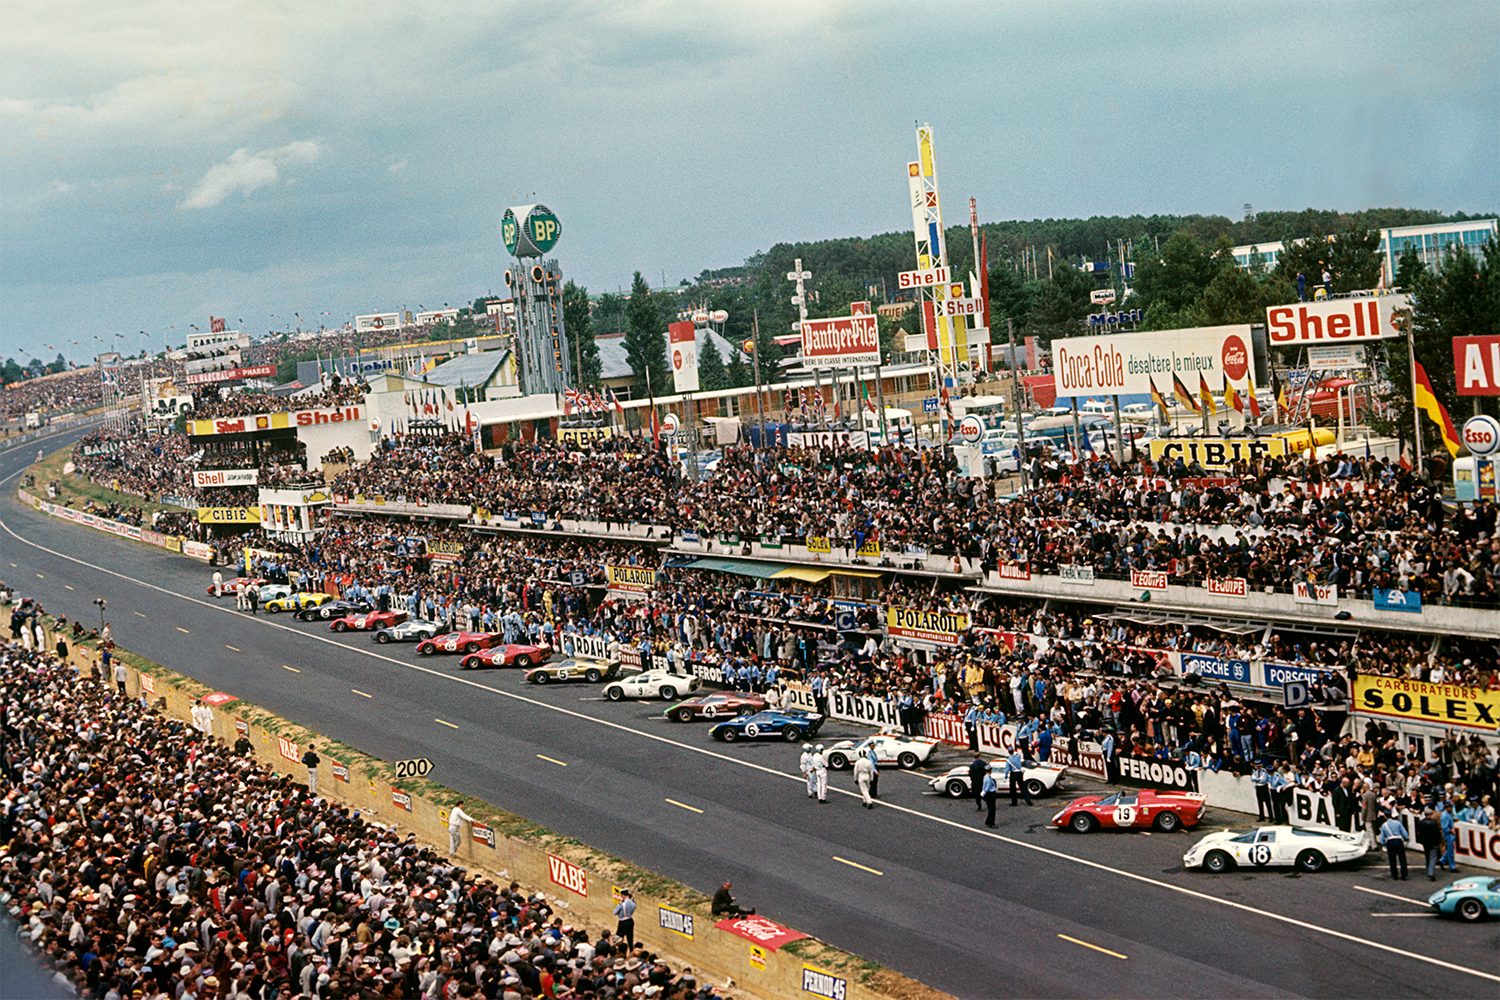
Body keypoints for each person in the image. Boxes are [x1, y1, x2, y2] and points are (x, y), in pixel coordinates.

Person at [1378, 811, 1410, 881]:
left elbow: (1382, 837)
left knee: (1392, 859)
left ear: (1385, 816)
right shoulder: (1397, 823)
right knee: (1402, 858)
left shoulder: (1384, 825)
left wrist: (1383, 844)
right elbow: (1404, 832)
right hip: (1398, 840)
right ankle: (1404, 874)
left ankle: (1394, 875)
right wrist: (1407, 838)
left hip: (1390, 841)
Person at [1416, 807, 1443, 881]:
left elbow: (1418, 832)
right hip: (1433, 842)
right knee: (1433, 857)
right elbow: (1436, 832)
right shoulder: (1433, 823)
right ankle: (1431, 873)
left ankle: (1428, 870)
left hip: (1425, 842)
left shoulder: (1420, 822)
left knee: (1427, 857)